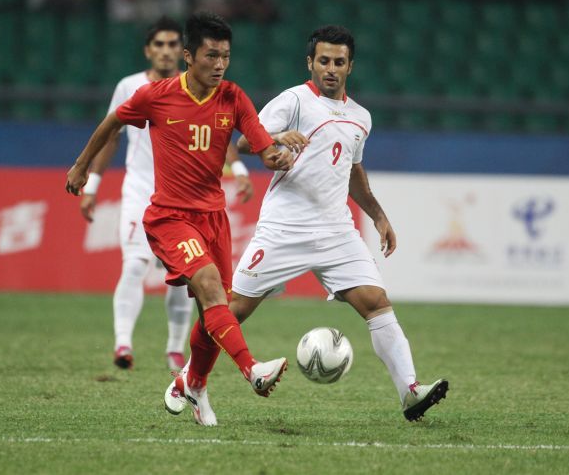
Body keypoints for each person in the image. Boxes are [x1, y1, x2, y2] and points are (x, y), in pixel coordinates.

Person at [167, 25, 449, 422]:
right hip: (284, 228)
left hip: (337, 232)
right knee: (232, 309)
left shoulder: (361, 118)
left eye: (339, 62)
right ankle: (188, 378)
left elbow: (352, 170)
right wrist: (278, 139)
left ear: (350, 66)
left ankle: (410, 391)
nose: (331, 69)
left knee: (376, 303)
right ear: (310, 63)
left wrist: (378, 216)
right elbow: (244, 141)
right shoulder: (294, 100)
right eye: (324, 61)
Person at [66, 12, 297, 426]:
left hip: (214, 218)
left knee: (215, 311)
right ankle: (252, 370)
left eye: (226, 56)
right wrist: (83, 167)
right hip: (169, 216)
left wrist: (277, 156)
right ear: (189, 56)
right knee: (208, 286)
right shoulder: (156, 96)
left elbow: (262, 147)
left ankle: (193, 384)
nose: (220, 64)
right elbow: (113, 121)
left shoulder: (233, 97)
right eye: (211, 55)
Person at [79, 16, 254, 372]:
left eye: (172, 44)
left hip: (188, 197)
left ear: (183, 51)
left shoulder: (202, 87)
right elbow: (111, 134)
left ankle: (175, 349)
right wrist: (91, 183)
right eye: (159, 44)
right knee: (134, 264)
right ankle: (123, 343)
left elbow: (216, 134)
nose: (166, 51)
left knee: (188, 278)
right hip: (140, 189)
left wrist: (238, 169)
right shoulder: (132, 87)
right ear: (148, 50)